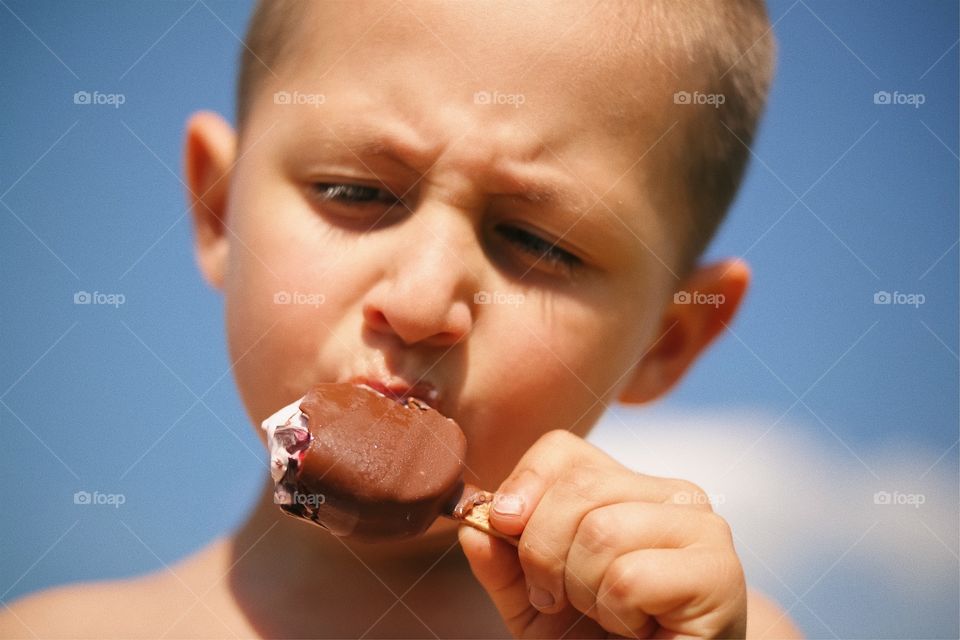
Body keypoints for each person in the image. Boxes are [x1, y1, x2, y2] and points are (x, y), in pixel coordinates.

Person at [2, 1, 803, 636]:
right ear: (220, 213)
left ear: (668, 340)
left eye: (536, 242)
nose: (421, 307)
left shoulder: (703, 634)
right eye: (356, 192)